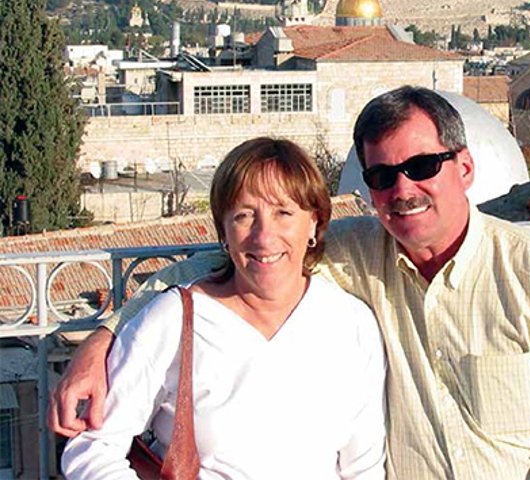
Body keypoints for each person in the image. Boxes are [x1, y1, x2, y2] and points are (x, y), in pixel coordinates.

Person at [51, 87, 530, 479]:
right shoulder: (359, 253)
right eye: (382, 176)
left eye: (422, 167)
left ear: (464, 168)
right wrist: (107, 336)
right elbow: (232, 266)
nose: (403, 189)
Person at [60, 138, 386, 479]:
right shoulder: (176, 319)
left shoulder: (351, 324)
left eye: (283, 213)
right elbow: (92, 449)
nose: (264, 236)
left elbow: (363, 468)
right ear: (224, 231)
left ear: (314, 223)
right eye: (244, 215)